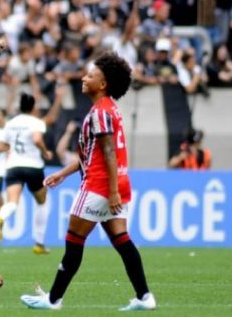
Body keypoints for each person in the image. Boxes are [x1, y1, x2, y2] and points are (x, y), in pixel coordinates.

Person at [20, 52, 156, 311]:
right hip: (116, 184)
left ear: (103, 84)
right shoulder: (108, 109)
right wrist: (63, 173)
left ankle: (53, 300)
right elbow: (89, 154)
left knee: (73, 240)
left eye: (90, 75)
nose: (84, 77)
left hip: (100, 186)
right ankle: (145, 297)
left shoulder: (100, 112)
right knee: (122, 240)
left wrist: (112, 191)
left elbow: (108, 153)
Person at [0, 93, 54, 254]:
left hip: (13, 166)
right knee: (42, 202)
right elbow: (36, 139)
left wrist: (12, 147)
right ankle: (39, 243)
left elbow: (0, 147)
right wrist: (45, 152)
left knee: (12, 202)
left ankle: (1, 218)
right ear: (33, 108)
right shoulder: (36, 122)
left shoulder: (11, 123)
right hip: (33, 166)